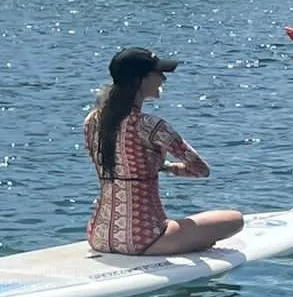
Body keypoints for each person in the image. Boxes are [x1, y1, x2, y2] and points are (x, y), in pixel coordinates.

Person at [83, 48, 243, 257]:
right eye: (158, 73)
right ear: (140, 80)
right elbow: (201, 170)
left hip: (99, 235)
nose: (163, 79)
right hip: (146, 240)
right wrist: (167, 167)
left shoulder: (92, 121)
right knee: (235, 219)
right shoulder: (151, 126)